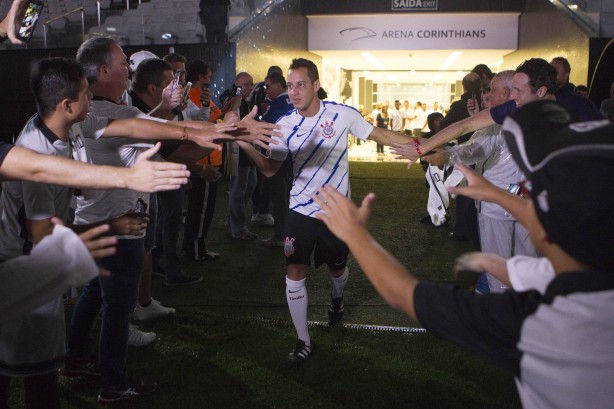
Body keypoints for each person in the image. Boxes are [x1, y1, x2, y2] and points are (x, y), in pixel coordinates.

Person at [314, 100, 614, 409]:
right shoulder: (584, 277)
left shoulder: (540, 326)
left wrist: (355, 235)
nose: (523, 192)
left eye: (530, 191)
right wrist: (495, 194)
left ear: (546, 231)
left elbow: (403, 294)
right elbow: (538, 261)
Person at [0, 56, 178, 409]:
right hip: (20, 272)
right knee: (35, 372)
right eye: (85, 93)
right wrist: (111, 224)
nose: (90, 97)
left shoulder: (67, 125)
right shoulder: (37, 150)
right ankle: (111, 383)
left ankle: (79, 362)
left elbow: (126, 127)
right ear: (67, 105)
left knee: (33, 364)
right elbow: (44, 238)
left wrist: (194, 129)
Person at [235, 58, 410, 366]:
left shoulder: (342, 115)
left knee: (338, 269)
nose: (294, 92)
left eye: (301, 84)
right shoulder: (285, 125)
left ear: (316, 85)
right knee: (294, 272)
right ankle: (303, 340)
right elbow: (270, 169)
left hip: (336, 213)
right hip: (300, 211)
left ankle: (336, 298)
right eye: (290, 86)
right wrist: (243, 143)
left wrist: (424, 145)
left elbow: (381, 136)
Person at [422, 71, 537, 293]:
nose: (488, 96)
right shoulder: (531, 116)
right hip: (516, 203)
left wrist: (447, 155)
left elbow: (477, 148)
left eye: (491, 91)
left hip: (499, 208)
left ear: (506, 92)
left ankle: (495, 308)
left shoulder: (501, 122)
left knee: (499, 269)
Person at [393, 58, 604, 164]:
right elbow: (466, 125)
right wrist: (423, 147)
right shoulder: (518, 105)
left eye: (518, 91)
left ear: (541, 91)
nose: (512, 97)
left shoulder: (581, 110)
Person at [220, 72, 259, 240]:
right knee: (239, 188)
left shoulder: (241, 99)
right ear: (237, 84)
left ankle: (233, 221)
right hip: (238, 151)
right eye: (246, 85)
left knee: (249, 184)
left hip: (245, 150)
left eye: (251, 84)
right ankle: (238, 227)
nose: (250, 87)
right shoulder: (233, 98)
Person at [259, 72, 294, 247]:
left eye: (268, 86)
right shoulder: (293, 100)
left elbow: (265, 124)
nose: (266, 90)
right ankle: (289, 234)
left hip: (279, 157)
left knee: (279, 199)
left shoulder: (279, 102)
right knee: (288, 197)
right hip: (294, 158)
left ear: (279, 85)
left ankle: (281, 237)